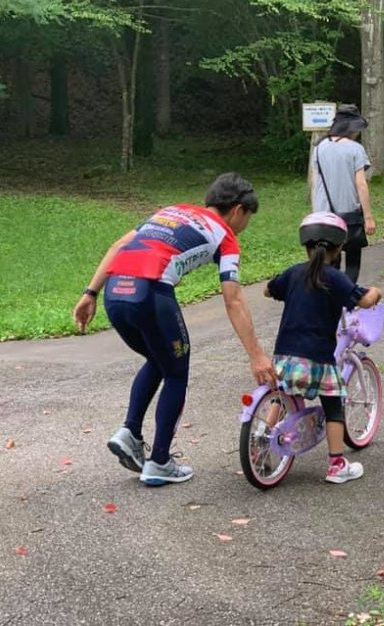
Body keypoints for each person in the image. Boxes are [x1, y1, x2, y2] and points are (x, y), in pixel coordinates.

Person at [72, 173, 278, 486]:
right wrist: (257, 355)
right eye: (247, 218)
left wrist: (90, 293)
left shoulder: (170, 211)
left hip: (115, 292)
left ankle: (130, 431)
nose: (245, 225)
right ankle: (159, 462)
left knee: (160, 358)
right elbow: (234, 300)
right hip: (150, 293)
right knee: (177, 371)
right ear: (238, 210)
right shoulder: (225, 236)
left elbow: (119, 245)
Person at [264, 212, 382, 484]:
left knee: (283, 396)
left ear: (305, 244)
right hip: (317, 360)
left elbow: (269, 291)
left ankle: (263, 438)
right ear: (339, 247)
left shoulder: (294, 273)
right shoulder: (335, 277)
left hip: (283, 357)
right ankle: (337, 465)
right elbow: (364, 301)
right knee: (333, 406)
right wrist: (376, 291)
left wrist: (278, 288)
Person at [310, 104, 376, 283]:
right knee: (353, 264)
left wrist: (315, 211)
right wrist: (368, 216)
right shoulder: (355, 149)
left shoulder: (319, 147)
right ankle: (347, 300)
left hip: (323, 216)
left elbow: (314, 183)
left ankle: (330, 303)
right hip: (350, 217)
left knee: (329, 263)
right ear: (351, 127)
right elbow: (361, 184)